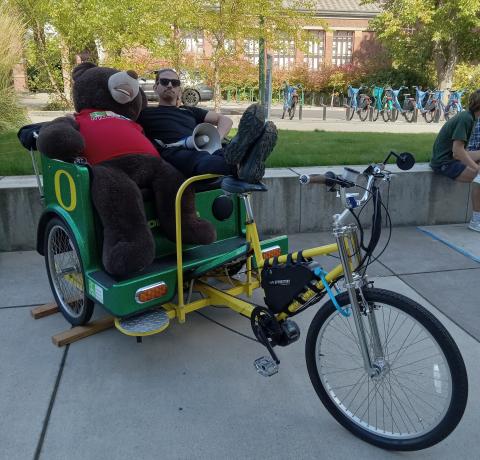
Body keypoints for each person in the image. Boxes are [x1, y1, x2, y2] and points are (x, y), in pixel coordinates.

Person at [137, 68, 277, 183]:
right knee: (203, 160)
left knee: (221, 152)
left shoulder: (189, 110)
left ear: (179, 89)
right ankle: (247, 161)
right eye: (164, 81)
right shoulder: (145, 114)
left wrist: (216, 139)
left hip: (202, 149)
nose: (169, 85)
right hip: (174, 152)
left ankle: (246, 156)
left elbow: (225, 121)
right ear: (155, 87)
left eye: (174, 83)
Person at [430, 89, 480, 232]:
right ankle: (476, 221)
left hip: (452, 158)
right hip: (444, 162)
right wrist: (475, 168)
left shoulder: (471, 117)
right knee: (479, 177)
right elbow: (457, 152)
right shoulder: (466, 119)